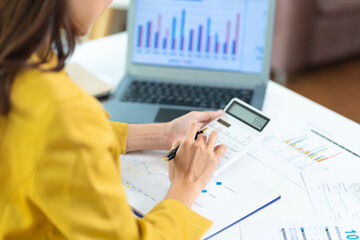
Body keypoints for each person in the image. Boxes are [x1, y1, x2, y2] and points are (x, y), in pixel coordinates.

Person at [0, 0, 227, 239]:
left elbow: (42, 133)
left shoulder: (20, 64)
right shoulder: (65, 110)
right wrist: (186, 184)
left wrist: (163, 134)